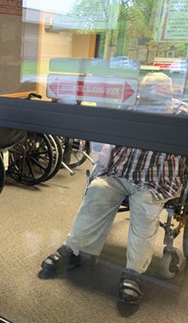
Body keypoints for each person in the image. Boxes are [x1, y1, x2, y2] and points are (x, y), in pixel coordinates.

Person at [39, 72, 187, 306]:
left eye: (155, 93)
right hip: (120, 172)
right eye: (146, 93)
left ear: (168, 92)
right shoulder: (130, 108)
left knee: (144, 213)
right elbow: (110, 140)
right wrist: (100, 169)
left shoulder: (182, 116)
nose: (147, 97)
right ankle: (75, 248)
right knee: (96, 192)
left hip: (157, 181)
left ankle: (134, 272)